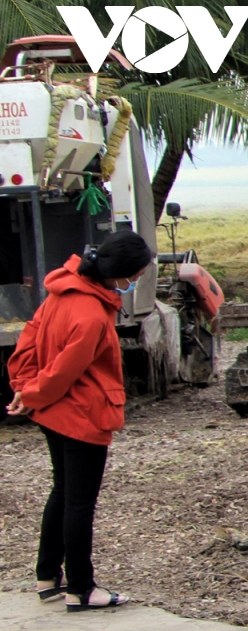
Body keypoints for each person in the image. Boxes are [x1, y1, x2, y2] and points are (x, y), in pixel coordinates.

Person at [6, 231, 153, 611]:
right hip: (82, 412)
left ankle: (47, 576)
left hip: (53, 412)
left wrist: (24, 388)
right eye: (134, 276)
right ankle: (82, 587)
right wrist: (34, 392)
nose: (133, 283)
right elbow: (63, 372)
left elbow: (30, 338)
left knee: (63, 491)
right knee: (80, 503)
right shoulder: (91, 313)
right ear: (119, 274)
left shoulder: (61, 291)